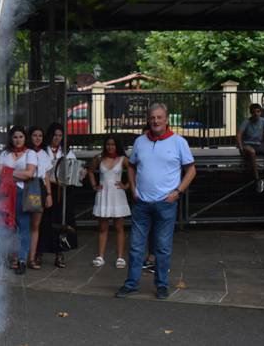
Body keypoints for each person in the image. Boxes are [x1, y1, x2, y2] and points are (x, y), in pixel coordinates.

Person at [116, 103, 196, 300]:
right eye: (152, 117)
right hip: (141, 202)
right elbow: (132, 166)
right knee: (135, 246)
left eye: (159, 117)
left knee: (162, 247)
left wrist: (178, 191)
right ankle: (131, 283)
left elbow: (191, 170)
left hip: (166, 203)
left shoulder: (178, 142)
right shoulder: (140, 142)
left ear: (166, 119)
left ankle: (161, 285)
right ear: (148, 119)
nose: (155, 121)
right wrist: (133, 188)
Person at [0, 126, 37, 274]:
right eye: (15, 137)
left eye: (21, 137)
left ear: (25, 138)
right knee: (7, 226)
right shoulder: (5, 153)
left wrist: (7, 173)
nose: (18, 140)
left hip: (21, 193)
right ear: (11, 139)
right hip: (5, 194)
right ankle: (11, 258)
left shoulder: (30, 153)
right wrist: (17, 174)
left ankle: (22, 259)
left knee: (24, 227)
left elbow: (29, 174)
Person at [38, 122, 78, 268]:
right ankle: (39, 253)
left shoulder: (67, 151)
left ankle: (59, 253)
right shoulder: (43, 150)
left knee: (60, 223)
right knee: (44, 222)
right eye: (55, 135)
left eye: (60, 135)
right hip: (47, 189)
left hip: (62, 192)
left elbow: (74, 170)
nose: (57, 138)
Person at [87, 136, 132, 268]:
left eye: (113, 144)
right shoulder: (99, 158)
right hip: (103, 194)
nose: (110, 147)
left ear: (117, 145)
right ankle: (100, 256)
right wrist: (94, 185)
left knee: (119, 228)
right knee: (102, 228)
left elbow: (134, 171)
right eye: (108, 144)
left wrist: (127, 185)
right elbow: (90, 171)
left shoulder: (123, 159)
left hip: (118, 195)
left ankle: (120, 258)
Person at [237, 103, 264, 193]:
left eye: (258, 111)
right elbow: (239, 135)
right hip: (248, 144)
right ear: (251, 113)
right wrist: (241, 148)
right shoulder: (246, 122)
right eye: (254, 112)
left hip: (259, 144)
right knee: (252, 152)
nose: (256, 113)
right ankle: (257, 179)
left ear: (260, 112)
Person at [27, 126, 51, 269]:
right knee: (23, 223)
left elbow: (46, 176)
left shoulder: (44, 154)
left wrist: (49, 194)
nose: (37, 138)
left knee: (35, 225)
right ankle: (19, 255)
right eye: (34, 135)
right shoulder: (26, 152)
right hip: (25, 186)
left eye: (40, 136)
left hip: (38, 188)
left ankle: (32, 257)